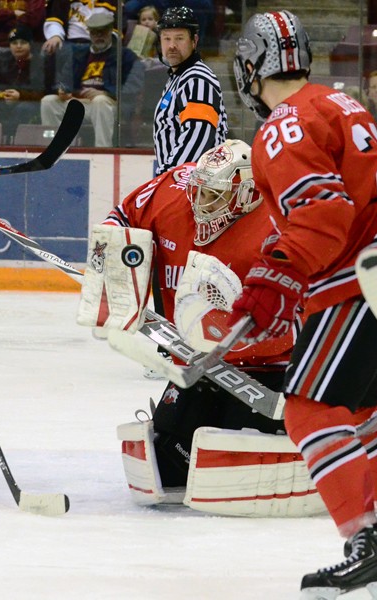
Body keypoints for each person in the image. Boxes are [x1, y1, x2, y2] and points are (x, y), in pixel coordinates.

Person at [234, 10, 377, 597]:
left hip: (362, 273)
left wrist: (273, 280)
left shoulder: (281, 125)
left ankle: (366, 547)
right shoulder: (337, 103)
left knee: (306, 410)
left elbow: (323, 214)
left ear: (254, 65)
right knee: (361, 405)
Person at [93, 139, 291, 491]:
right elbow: (123, 217)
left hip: (267, 371)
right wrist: (111, 258)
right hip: (193, 365)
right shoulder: (175, 190)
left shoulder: (279, 229)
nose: (199, 204)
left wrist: (237, 337)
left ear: (245, 196)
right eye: (198, 192)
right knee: (170, 464)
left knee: (235, 466)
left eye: (212, 196)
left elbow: (304, 317)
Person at [41, 10, 144, 147]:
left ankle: (103, 151)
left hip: (110, 104)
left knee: (99, 101)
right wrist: (62, 89)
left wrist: (106, 93)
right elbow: (63, 79)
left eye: (103, 32)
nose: (99, 36)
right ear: (89, 33)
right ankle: (54, 150)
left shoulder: (125, 55)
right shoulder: (79, 53)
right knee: (49, 102)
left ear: (110, 31)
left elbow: (134, 86)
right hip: (79, 102)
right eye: (95, 32)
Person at [151, 6, 226, 177]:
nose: (172, 46)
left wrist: (169, 180)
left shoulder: (196, 79)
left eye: (179, 38)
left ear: (194, 41)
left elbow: (198, 137)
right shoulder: (178, 78)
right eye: (166, 38)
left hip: (192, 187)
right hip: (184, 184)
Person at [0, 25, 46, 139]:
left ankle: (16, 140)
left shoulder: (39, 63)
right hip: (1, 100)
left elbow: (44, 91)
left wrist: (21, 96)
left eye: (23, 42)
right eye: (14, 43)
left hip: (28, 102)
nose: (18, 46)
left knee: (23, 109)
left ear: (30, 44)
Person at [0, 0, 45, 67]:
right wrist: (13, 13)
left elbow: (33, 19)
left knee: (47, 61)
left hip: (27, 45)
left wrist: (0, 18)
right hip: (0, 45)